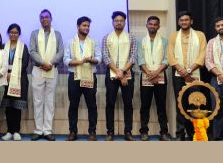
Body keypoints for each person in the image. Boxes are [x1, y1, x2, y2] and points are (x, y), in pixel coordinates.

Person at [167, 10, 206, 141]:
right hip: (178, 75)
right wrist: (181, 70)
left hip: (194, 74)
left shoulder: (200, 35)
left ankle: (194, 134)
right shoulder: (173, 36)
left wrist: (188, 70)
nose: (184, 22)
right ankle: (180, 134)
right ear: (178, 22)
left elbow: (202, 55)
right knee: (180, 104)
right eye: (181, 20)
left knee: (195, 104)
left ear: (191, 21)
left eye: (186, 20)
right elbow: (170, 56)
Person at [64, 16, 101, 141]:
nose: (87, 28)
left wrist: (92, 60)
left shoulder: (93, 42)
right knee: (73, 105)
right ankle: (73, 132)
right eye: (84, 25)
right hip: (74, 77)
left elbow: (99, 58)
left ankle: (92, 132)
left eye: (88, 26)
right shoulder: (70, 42)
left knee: (92, 105)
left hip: (90, 76)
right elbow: (66, 59)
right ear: (78, 26)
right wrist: (78, 62)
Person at [29, 9, 64, 141]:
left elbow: (60, 52)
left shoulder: (58, 35)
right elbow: (32, 51)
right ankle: (38, 130)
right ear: (40, 20)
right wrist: (43, 63)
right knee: (38, 101)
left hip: (52, 70)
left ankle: (48, 130)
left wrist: (50, 63)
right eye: (42, 17)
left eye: (47, 17)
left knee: (49, 102)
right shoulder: (34, 34)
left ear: (51, 18)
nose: (44, 19)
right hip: (38, 70)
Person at [102, 11, 137, 141]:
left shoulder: (131, 38)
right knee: (110, 103)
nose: (119, 22)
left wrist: (122, 73)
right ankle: (110, 132)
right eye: (116, 20)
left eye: (121, 20)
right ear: (112, 22)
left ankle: (128, 131)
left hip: (127, 74)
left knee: (128, 103)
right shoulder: (106, 38)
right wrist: (118, 72)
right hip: (111, 74)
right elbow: (106, 57)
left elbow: (133, 57)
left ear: (125, 22)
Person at [138, 16, 171, 141]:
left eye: (155, 24)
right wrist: (149, 73)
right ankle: (144, 131)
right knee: (145, 106)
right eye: (150, 24)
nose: (152, 26)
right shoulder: (141, 40)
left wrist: (156, 73)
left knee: (161, 105)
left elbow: (166, 59)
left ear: (159, 26)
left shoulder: (164, 41)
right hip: (145, 75)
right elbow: (140, 59)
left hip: (161, 76)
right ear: (146, 25)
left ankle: (163, 132)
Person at [0, 23, 30, 141]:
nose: (13, 34)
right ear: (8, 33)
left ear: (19, 34)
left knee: (16, 106)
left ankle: (16, 131)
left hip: (19, 79)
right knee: (8, 105)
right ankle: (9, 131)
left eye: (16, 32)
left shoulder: (24, 47)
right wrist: (5, 73)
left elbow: (25, 63)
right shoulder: (3, 46)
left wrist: (13, 74)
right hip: (4, 78)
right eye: (11, 32)